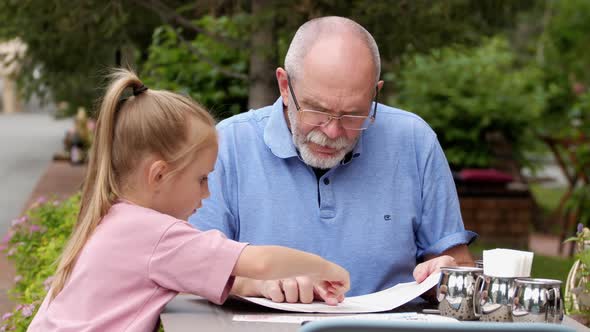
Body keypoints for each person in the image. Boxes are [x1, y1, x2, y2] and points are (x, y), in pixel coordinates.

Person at [27, 70, 350, 332]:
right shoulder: (156, 233)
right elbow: (259, 261)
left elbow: (220, 275)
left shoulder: (116, 219)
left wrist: (261, 287)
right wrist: (328, 268)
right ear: (158, 175)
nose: (207, 193)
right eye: (202, 178)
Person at [189, 16, 477, 303]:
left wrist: (447, 276)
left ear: (374, 93)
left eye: (353, 114)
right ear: (284, 86)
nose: (332, 130)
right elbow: (192, 267)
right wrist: (252, 282)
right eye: (316, 110)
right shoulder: (228, 144)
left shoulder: (414, 140)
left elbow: (457, 270)